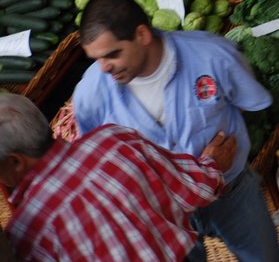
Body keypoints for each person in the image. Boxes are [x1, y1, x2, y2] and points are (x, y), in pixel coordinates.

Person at [73, 0, 279, 262]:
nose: (104, 68)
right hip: (163, 214)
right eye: (95, 58)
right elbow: (97, 152)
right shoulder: (91, 92)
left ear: (142, 34)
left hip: (232, 194)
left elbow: (246, 103)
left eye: (112, 54)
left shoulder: (213, 56)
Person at [0, 93, 236, 261]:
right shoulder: (114, 140)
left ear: (15, 161)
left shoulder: (27, 234)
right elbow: (194, 189)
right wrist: (212, 164)